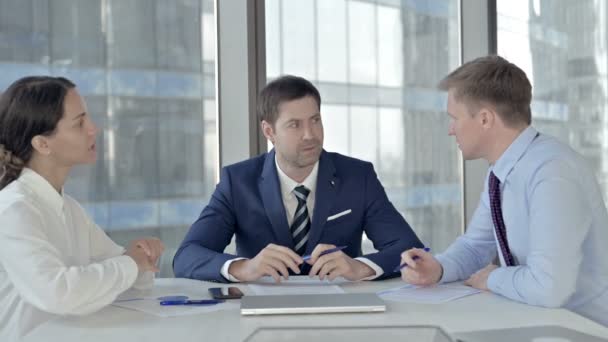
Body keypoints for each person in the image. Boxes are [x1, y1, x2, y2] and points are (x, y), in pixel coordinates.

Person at [399, 55, 608, 326]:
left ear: (485, 119)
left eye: (455, 118)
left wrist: (492, 277)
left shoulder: (553, 172)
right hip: (541, 322)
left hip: (585, 330)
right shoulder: (501, 172)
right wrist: (437, 268)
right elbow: (476, 246)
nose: (451, 130)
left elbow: (549, 287)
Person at [173, 75, 423, 283]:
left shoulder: (358, 176)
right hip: (261, 311)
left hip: (340, 311)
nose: (309, 135)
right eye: (294, 125)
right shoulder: (237, 182)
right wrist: (246, 268)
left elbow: (412, 250)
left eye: (315, 120)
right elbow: (186, 256)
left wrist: (360, 268)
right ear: (269, 131)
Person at [0, 76, 165, 340]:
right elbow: (59, 293)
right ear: (42, 144)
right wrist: (131, 264)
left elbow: (124, 280)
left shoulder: (68, 208)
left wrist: (140, 257)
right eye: (79, 123)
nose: (93, 129)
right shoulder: (13, 210)